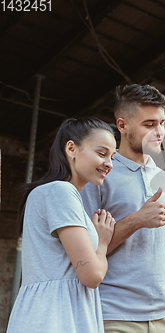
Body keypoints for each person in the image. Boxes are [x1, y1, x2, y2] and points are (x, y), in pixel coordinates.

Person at [80, 84, 165, 333]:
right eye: (149, 124)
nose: (159, 132)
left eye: (162, 123)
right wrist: (136, 220)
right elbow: (84, 255)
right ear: (122, 126)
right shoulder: (99, 176)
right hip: (113, 315)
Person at [7, 118, 117, 333]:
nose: (109, 163)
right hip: (54, 318)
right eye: (102, 153)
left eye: (113, 157)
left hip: (52, 314)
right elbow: (92, 275)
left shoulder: (56, 194)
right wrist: (102, 242)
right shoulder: (61, 192)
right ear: (71, 148)